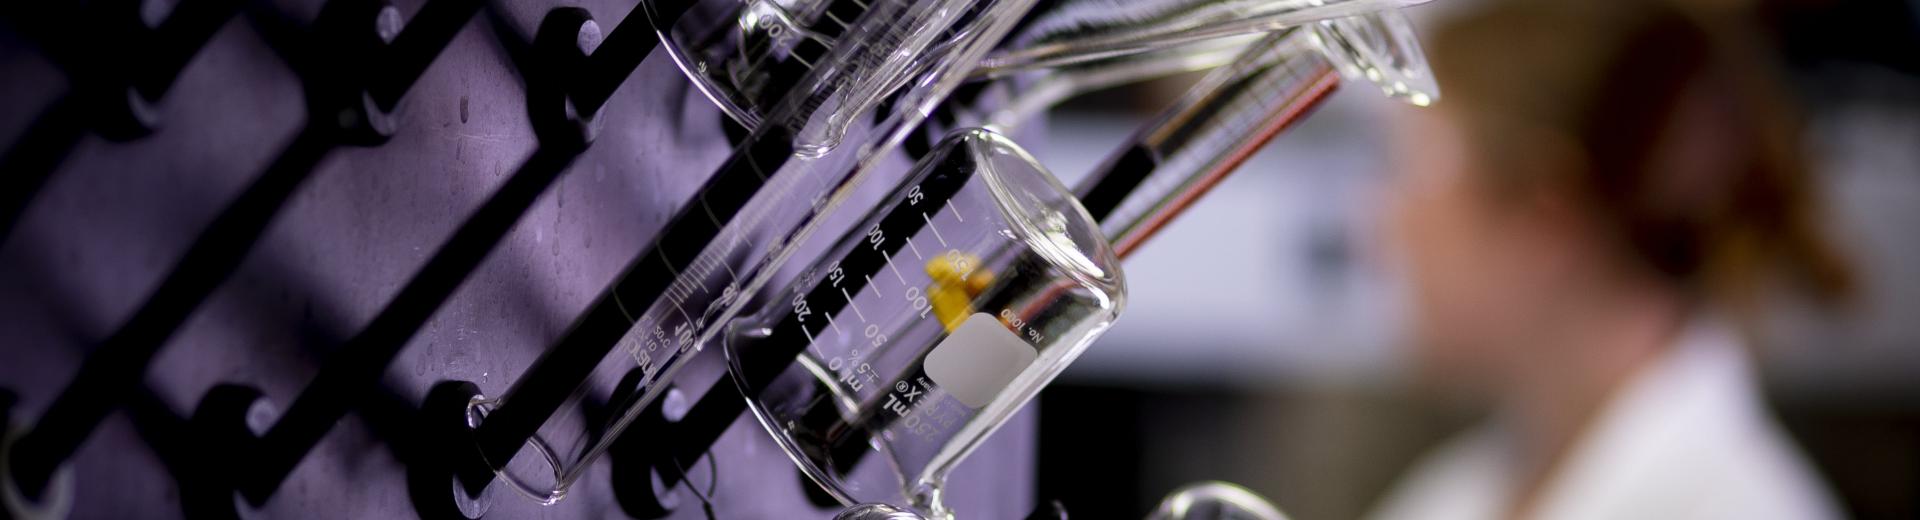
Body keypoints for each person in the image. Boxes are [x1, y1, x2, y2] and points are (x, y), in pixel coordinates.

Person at [1367, 1, 1855, 519]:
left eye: (1413, 172)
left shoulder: (1739, 507)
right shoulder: (1459, 493)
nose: (1386, 221)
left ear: (1544, 221)